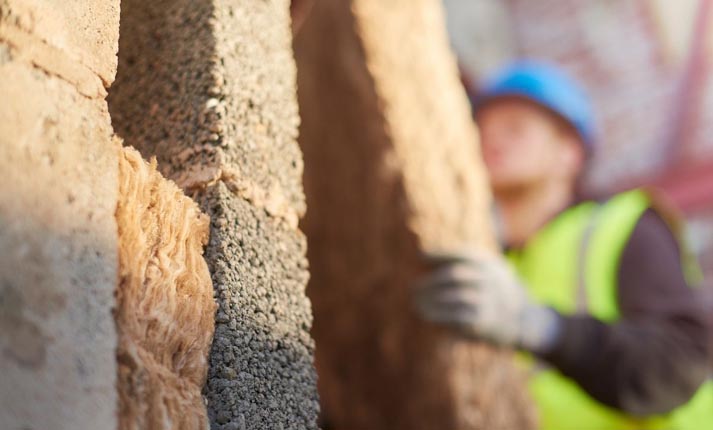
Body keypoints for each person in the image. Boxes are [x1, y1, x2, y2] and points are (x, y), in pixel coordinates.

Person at [415, 61, 713, 429]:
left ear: (568, 154)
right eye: (483, 128)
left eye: (515, 128)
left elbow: (679, 366)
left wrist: (541, 327)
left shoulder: (623, 225)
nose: (492, 139)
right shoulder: (490, 259)